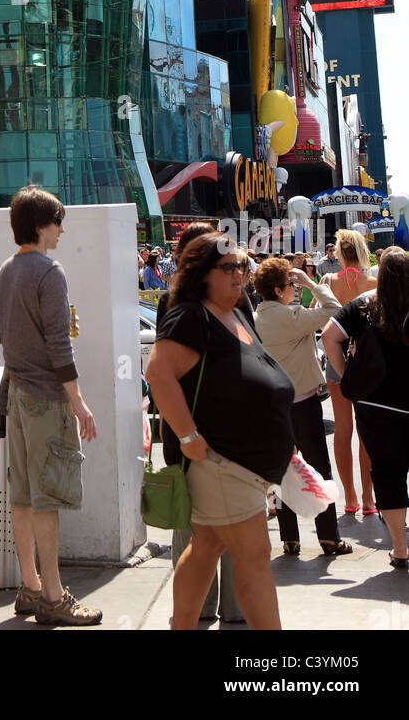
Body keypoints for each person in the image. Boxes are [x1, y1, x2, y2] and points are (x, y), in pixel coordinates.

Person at [146, 231, 295, 630]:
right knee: (255, 557)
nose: (239, 275)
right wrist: (190, 439)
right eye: (229, 268)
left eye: (243, 267)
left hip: (243, 464)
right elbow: (157, 374)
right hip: (222, 463)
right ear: (202, 274)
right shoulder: (192, 314)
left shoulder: (237, 312)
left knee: (207, 544)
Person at [0, 185, 101, 626]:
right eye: (57, 222)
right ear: (40, 226)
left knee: (23, 495)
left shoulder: (6, 270)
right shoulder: (50, 272)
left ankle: (30, 587)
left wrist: (20, 334)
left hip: (13, 396)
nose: (61, 230)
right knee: (48, 496)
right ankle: (54, 597)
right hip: (46, 399)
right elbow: (59, 347)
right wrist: (80, 402)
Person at [253, 257, 348, 556]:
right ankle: (329, 537)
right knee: (319, 469)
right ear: (280, 291)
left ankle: (289, 538)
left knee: (280, 473)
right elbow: (335, 311)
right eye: (291, 285)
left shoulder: (256, 319)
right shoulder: (292, 316)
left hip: (269, 409)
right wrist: (310, 283)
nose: (295, 289)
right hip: (303, 404)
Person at [322, 248, 409, 569]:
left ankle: (400, 549)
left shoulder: (365, 304)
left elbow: (329, 337)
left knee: (388, 473)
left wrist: (347, 375)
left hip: (376, 403)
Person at [321, 229, 377, 514]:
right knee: (366, 431)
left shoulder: (328, 281)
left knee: (343, 431)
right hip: (365, 361)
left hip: (336, 359)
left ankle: (350, 499)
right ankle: (368, 499)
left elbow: (320, 320)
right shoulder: (374, 282)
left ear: (341, 254)